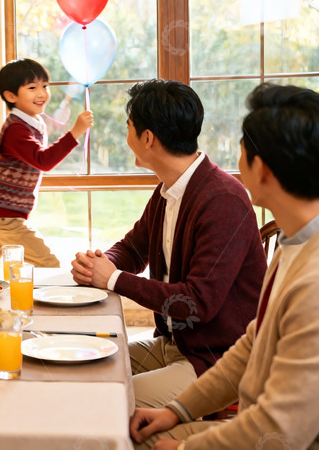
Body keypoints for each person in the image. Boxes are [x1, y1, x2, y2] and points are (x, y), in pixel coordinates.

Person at [129, 83, 319, 450]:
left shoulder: (312, 283)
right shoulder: (294, 243)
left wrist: (184, 447)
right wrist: (176, 411)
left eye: (241, 151)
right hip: (250, 416)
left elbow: (279, 431)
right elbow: (251, 345)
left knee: (125, 433)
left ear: (261, 169)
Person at [70, 79, 266, 410]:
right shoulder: (170, 189)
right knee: (80, 368)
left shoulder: (223, 199)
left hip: (219, 360)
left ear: (147, 138)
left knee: (104, 402)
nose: (126, 135)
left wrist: (113, 279)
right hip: (176, 345)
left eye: (128, 127)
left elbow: (197, 302)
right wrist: (100, 263)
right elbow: (133, 248)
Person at [0, 58, 93, 268]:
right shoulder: (16, 130)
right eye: (32, 88)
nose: (41, 93)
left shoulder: (26, 124)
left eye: (45, 86)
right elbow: (43, 161)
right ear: (10, 96)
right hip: (4, 219)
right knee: (48, 264)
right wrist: (75, 132)